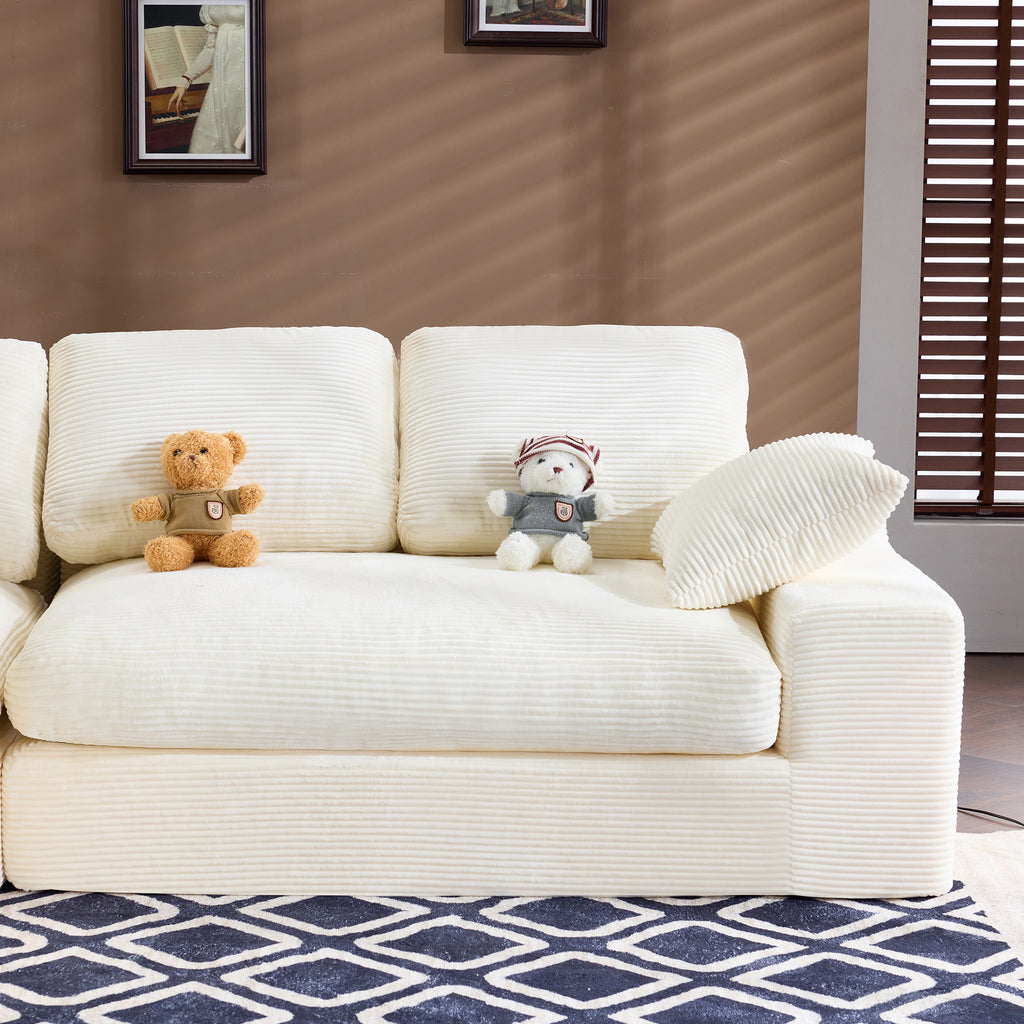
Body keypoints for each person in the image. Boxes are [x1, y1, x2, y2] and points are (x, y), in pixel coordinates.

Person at [169, 5, 247, 155]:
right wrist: (185, 80)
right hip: (220, 85)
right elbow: (211, 47)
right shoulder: (210, 5)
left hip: (245, 81)